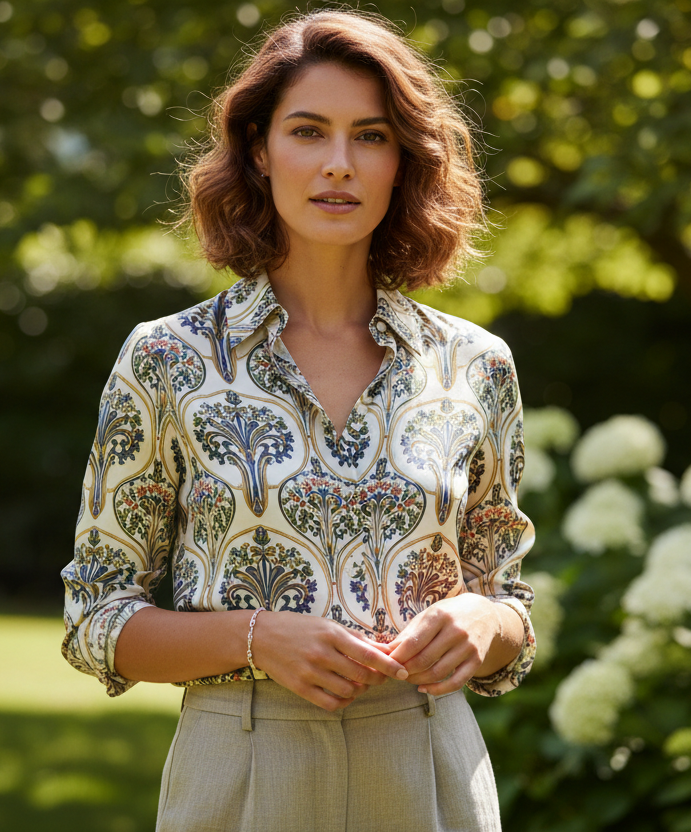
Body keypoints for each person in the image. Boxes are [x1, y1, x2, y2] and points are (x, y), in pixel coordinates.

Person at [61, 10, 536, 831]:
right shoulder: (168, 359)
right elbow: (98, 617)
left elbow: (510, 602)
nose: (339, 165)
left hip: (428, 766)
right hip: (241, 765)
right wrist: (253, 638)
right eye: (309, 132)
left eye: (372, 137)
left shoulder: (476, 365)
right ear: (258, 150)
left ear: (404, 162)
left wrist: (483, 621)